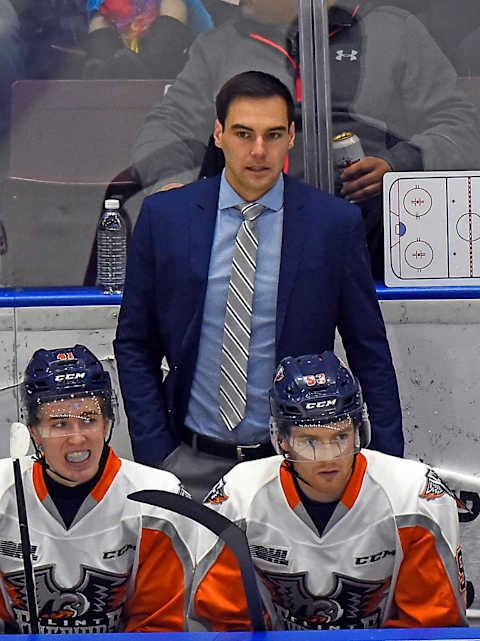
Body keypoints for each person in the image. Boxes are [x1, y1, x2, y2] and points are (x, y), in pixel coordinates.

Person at [114, 70, 403, 502]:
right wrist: (158, 454)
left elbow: (369, 350)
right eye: (243, 133)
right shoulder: (165, 218)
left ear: (290, 137)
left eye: (272, 135)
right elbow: (135, 343)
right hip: (188, 464)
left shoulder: (332, 224)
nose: (257, 151)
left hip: (297, 466)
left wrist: (386, 463)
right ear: (218, 134)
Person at [131, 0, 480, 278]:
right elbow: (168, 127)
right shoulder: (219, 47)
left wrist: (398, 165)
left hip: (380, 235)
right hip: (249, 236)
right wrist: (174, 187)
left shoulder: (393, 31)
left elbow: (463, 127)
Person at [191, 351, 467, 631]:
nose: (327, 456)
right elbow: (223, 626)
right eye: (309, 440)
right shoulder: (239, 496)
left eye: (340, 436)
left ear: (360, 430)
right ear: (282, 441)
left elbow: (430, 628)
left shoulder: (413, 496)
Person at [0, 344, 197, 633]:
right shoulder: (3, 491)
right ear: (34, 433)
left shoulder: (158, 499)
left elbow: (159, 625)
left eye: (89, 420)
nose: (77, 438)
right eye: (60, 424)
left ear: (107, 424)